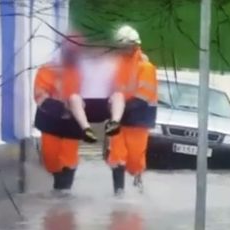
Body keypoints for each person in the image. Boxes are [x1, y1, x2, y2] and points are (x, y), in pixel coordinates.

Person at [34, 35, 97, 196]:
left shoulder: (83, 72)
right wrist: (60, 108)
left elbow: (91, 93)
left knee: (68, 157)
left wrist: (81, 107)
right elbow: (40, 95)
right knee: (51, 157)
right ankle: (59, 183)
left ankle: (64, 191)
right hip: (51, 119)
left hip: (72, 122)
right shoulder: (47, 69)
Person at [107, 25, 158, 196]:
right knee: (117, 156)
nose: (123, 50)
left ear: (134, 45)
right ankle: (118, 194)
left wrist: (120, 109)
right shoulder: (117, 64)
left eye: (126, 46)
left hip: (139, 119)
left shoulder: (146, 67)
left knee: (135, 160)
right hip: (120, 119)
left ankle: (138, 183)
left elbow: (143, 98)